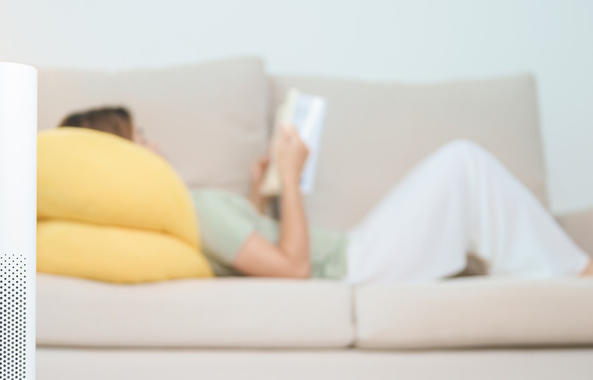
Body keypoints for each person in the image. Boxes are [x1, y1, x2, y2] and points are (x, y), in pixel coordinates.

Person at [58, 107, 593, 284]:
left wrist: (258, 196)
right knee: (462, 162)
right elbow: (292, 269)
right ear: (120, 155)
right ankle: (575, 278)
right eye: (140, 137)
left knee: (463, 170)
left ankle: (561, 273)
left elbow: (249, 249)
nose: (155, 143)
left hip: (354, 252)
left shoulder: (187, 206)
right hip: (349, 267)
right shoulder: (190, 208)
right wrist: (290, 177)